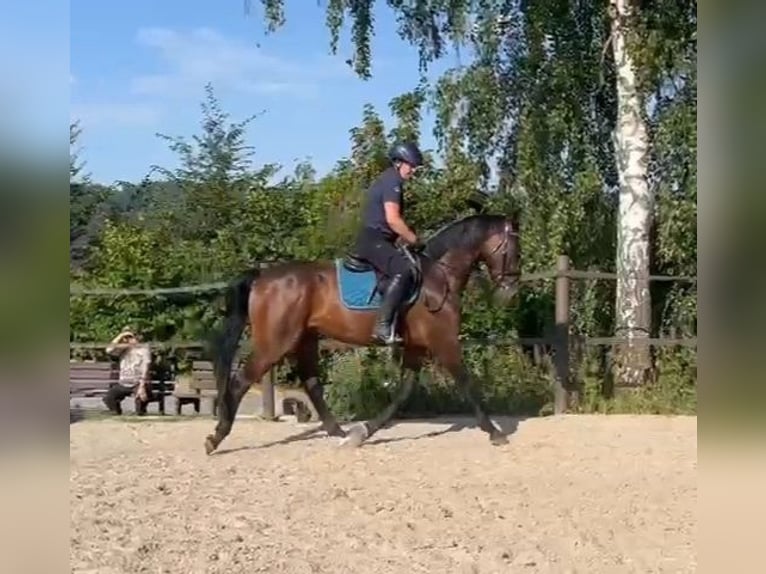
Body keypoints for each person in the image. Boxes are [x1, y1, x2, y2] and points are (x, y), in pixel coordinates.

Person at [353, 141, 425, 344]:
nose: (413, 171)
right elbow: (393, 219)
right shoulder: (392, 182)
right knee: (403, 271)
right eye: (411, 166)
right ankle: (383, 327)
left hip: (378, 239)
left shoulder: (389, 180)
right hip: (374, 239)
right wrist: (414, 239)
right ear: (399, 163)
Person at [102, 327, 152, 415]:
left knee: (140, 401)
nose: (126, 340)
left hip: (138, 382)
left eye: (129, 337)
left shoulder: (144, 350)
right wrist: (120, 336)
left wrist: (142, 386)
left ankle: (140, 415)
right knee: (109, 398)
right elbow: (108, 350)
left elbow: (146, 368)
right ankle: (117, 414)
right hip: (124, 383)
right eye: (125, 338)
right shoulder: (123, 349)